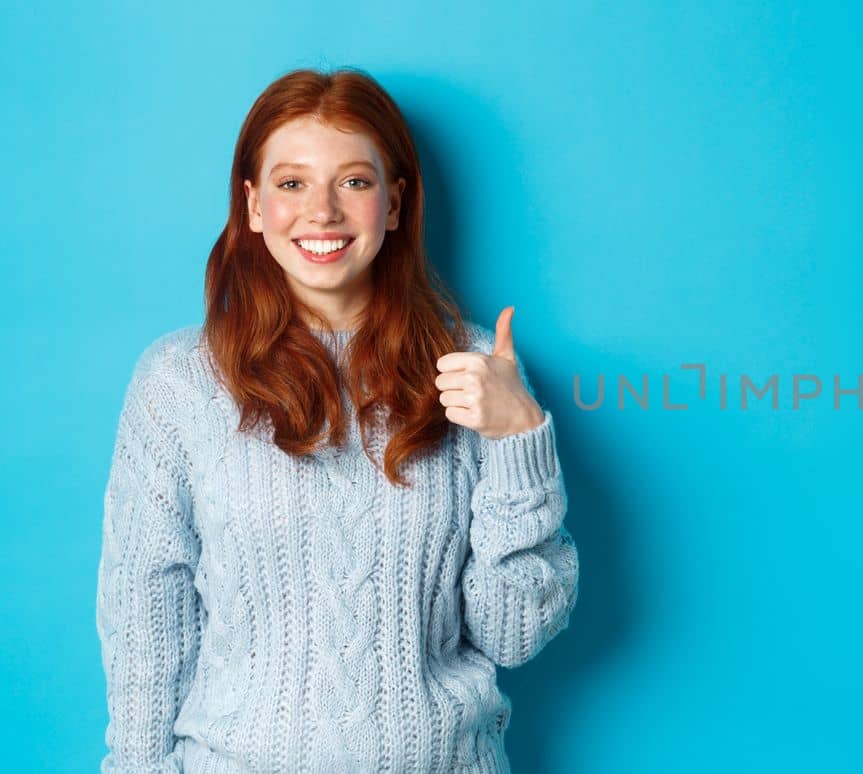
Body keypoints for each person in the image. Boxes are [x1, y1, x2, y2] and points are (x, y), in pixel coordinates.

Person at [95, 67, 579, 772]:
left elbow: (514, 634)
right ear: (254, 204)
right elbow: (145, 625)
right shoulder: (178, 383)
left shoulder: (475, 366)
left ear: (393, 204)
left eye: (353, 181)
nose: (321, 212)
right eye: (292, 184)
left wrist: (518, 440)